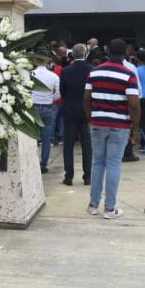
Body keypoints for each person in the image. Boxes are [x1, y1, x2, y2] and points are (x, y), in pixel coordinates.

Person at [83, 39, 141, 220]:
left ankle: (93, 205)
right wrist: (135, 128)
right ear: (125, 53)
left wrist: (90, 117)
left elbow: (86, 98)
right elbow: (133, 104)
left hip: (97, 122)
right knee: (114, 164)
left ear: (107, 51)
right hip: (119, 125)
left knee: (97, 162)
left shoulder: (94, 72)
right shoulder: (128, 74)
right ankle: (109, 208)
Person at [59, 44, 93, 186]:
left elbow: (62, 91)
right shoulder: (91, 70)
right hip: (86, 110)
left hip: (70, 110)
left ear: (73, 54)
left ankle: (69, 176)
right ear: (85, 54)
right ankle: (88, 176)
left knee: (68, 145)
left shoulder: (66, 71)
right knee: (86, 144)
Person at [32, 51, 61, 174]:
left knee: (32, 137)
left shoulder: (30, 74)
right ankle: (43, 164)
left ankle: (32, 162)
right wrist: (49, 99)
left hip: (32, 107)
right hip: (48, 107)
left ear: (35, 61)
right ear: (47, 61)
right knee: (46, 137)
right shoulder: (54, 76)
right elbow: (58, 94)